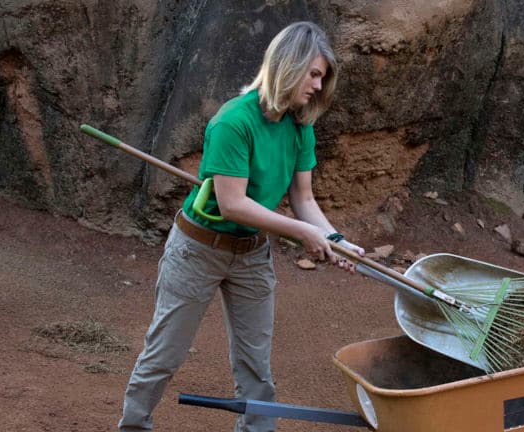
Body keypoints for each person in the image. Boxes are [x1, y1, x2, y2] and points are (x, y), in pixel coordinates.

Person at [118, 21, 364, 432]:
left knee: (256, 366)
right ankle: (133, 426)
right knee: (164, 354)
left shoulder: (300, 126)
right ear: (289, 65)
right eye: (315, 74)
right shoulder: (233, 121)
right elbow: (233, 205)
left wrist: (336, 240)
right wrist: (302, 233)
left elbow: (304, 200)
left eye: (323, 77)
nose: (319, 87)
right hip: (198, 250)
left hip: (250, 254)